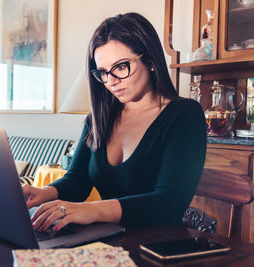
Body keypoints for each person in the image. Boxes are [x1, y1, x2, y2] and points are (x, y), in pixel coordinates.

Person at [22, 12, 207, 232]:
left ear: (150, 60)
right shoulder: (99, 118)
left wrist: (91, 210)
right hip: (108, 239)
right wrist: (44, 193)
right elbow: (77, 181)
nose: (111, 82)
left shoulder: (184, 114)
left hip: (159, 245)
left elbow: (170, 203)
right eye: (103, 72)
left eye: (120, 67)